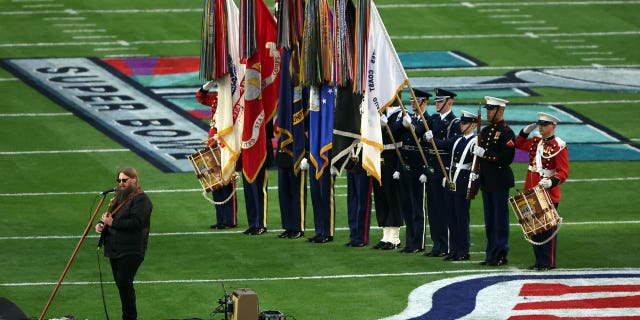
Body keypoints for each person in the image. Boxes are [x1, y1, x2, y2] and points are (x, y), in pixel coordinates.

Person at [95, 167, 153, 320]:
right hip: (115, 248)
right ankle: (128, 316)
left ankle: (129, 317)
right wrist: (102, 225)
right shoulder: (118, 197)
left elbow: (136, 223)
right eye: (119, 180)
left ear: (134, 180)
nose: (121, 183)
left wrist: (112, 223)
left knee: (124, 282)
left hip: (132, 248)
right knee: (122, 285)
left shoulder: (142, 200)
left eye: (124, 180)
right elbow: (110, 218)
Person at [515, 112, 569, 271]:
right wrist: (525, 131)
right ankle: (539, 261)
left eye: (545, 125)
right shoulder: (537, 142)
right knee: (535, 229)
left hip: (548, 193)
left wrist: (551, 182)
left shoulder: (559, 146)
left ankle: (548, 262)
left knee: (547, 230)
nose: (541, 127)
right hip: (531, 191)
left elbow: (563, 171)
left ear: (553, 126)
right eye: (540, 125)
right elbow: (519, 144)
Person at [426, 110, 478, 261]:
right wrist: (432, 139)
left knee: (461, 218)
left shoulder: (475, 142)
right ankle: (454, 249)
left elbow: (474, 166)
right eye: (462, 123)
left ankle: (463, 250)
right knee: (452, 217)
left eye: (465, 123)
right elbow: (444, 145)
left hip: (463, 183)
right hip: (452, 181)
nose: (462, 125)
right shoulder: (457, 139)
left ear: (473, 125)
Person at [471, 96, 515, 267]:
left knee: (500, 220)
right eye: (488, 109)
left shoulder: (506, 132)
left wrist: (485, 155)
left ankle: (501, 253)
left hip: (499, 181)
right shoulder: (487, 131)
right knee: (489, 220)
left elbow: (506, 158)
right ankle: (491, 254)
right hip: (486, 181)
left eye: (491, 109)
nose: (489, 112)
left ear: (500, 111)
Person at [420, 88, 461, 258]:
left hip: (444, 170)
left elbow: (452, 143)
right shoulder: (434, 119)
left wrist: (433, 140)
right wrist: (425, 137)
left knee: (444, 210)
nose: (437, 103)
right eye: (436, 101)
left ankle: (447, 245)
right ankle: (437, 244)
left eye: (440, 101)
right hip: (432, 169)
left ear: (449, 102)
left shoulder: (455, 122)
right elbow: (422, 137)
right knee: (434, 209)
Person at [196, 81, 238, 230]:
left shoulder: (234, 99)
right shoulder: (217, 98)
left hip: (225, 144)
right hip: (212, 144)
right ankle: (221, 219)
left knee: (227, 183)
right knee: (215, 184)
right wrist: (210, 83)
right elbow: (200, 96)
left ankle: (231, 220)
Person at [394, 89, 431, 254]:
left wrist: (411, 126)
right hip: (405, 166)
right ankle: (409, 241)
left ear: (424, 102)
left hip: (418, 169)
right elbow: (394, 133)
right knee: (407, 207)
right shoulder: (409, 118)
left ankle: (418, 242)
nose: (412, 103)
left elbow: (420, 132)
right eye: (411, 101)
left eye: (416, 101)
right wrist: (402, 123)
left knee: (417, 208)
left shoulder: (428, 119)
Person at [372, 99, 404, 250]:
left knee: (393, 197)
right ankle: (385, 235)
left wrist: (387, 125)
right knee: (381, 196)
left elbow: (398, 132)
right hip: (380, 156)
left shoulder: (402, 114)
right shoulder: (382, 113)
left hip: (393, 157)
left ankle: (395, 238)